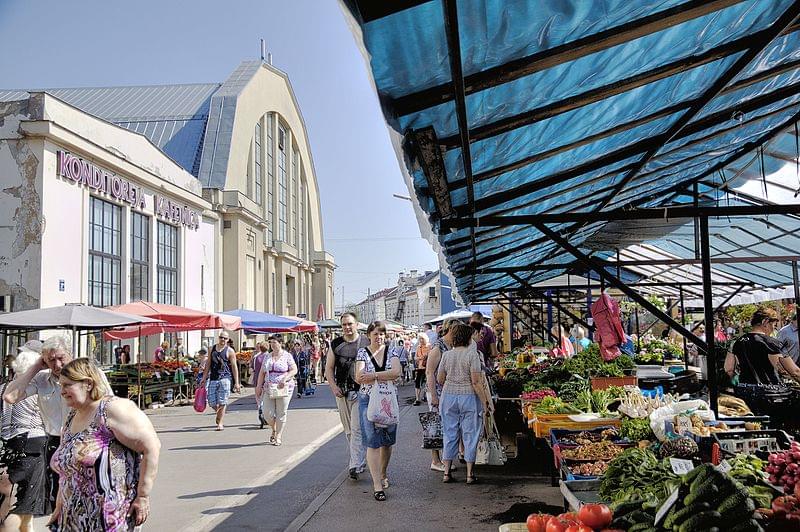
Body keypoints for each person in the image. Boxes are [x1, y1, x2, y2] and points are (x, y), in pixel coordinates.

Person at [47, 358, 160, 531]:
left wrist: (143, 495)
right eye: (60, 385)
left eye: (67, 385)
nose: (62, 391)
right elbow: (67, 469)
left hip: (110, 516)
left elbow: (151, 447)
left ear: (88, 384)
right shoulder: (72, 416)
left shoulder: (112, 409)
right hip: (75, 517)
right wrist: (59, 506)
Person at [436, 322, 493, 485]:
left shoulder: (447, 355)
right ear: (468, 338)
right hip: (468, 397)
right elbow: (476, 382)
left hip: (448, 398)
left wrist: (452, 382)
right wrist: (485, 403)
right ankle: (469, 474)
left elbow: (440, 379)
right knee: (470, 434)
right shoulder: (472, 355)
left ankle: (446, 473)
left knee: (449, 433)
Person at [0, 346, 47, 532]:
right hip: (30, 445)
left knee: (8, 499)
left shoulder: (3, 388)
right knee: (19, 503)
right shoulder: (34, 390)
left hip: (5, 445)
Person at [354, 321, 401, 502]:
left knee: (387, 442)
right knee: (372, 442)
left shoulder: (393, 351)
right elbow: (359, 377)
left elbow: (397, 372)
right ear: (369, 336)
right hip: (368, 400)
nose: (379, 337)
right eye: (376, 334)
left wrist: (373, 375)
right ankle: (377, 485)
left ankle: (383, 472)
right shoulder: (362, 353)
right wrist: (384, 374)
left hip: (389, 400)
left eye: (382, 334)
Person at [325, 312, 368, 480]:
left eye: (350, 324)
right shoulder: (336, 344)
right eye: (344, 325)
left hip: (361, 391)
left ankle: (355, 464)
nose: (347, 327)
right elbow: (329, 368)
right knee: (349, 430)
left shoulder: (365, 341)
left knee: (357, 428)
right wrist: (333, 386)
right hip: (342, 393)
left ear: (356, 324)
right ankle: (359, 460)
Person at [726, 307, 800, 385]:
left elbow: (729, 369)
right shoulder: (772, 343)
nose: (773, 329)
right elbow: (794, 372)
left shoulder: (736, 342)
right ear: (765, 322)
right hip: (770, 391)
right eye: (773, 325)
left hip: (745, 391)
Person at [426, 319, 460, 473]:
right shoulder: (438, 347)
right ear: (451, 329)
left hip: (448, 391)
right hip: (437, 392)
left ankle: (445, 459)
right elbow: (429, 372)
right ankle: (435, 460)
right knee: (435, 426)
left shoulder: (452, 346)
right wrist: (434, 396)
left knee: (448, 427)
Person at [255, 336, 297, 446]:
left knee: (281, 412)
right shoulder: (267, 356)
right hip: (269, 388)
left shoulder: (287, 356)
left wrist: (285, 378)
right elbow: (262, 372)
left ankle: (278, 435)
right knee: (266, 413)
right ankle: (273, 428)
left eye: (274, 342)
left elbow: (294, 369)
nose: (272, 344)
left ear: (280, 343)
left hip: (283, 387)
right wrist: (258, 386)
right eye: (270, 342)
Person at [199, 331, 240, 431]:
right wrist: (204, 378)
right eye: (221, 337)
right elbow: (208, 364)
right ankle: (219, 413)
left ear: (228, 339)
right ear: (219, 337)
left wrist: (237, 382)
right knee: (212, 402)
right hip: (213, 377)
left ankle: (220, 423)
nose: (223, 340)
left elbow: (234, 367)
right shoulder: (211, 349)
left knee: (222, 401)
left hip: (225, 378)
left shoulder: (230, 351)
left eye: (225, 338)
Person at [413, 334, 430, 406]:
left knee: (427, 383)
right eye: (420, 339)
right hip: (420, 367)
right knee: (418, 383)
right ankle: (417, 399)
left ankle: (425, 396)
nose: (421, 340)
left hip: (428, 367)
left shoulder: (429, 346)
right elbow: (415, 358)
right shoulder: (418, 347)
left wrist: (426, 356)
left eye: (422, 339)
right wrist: (421, 358)